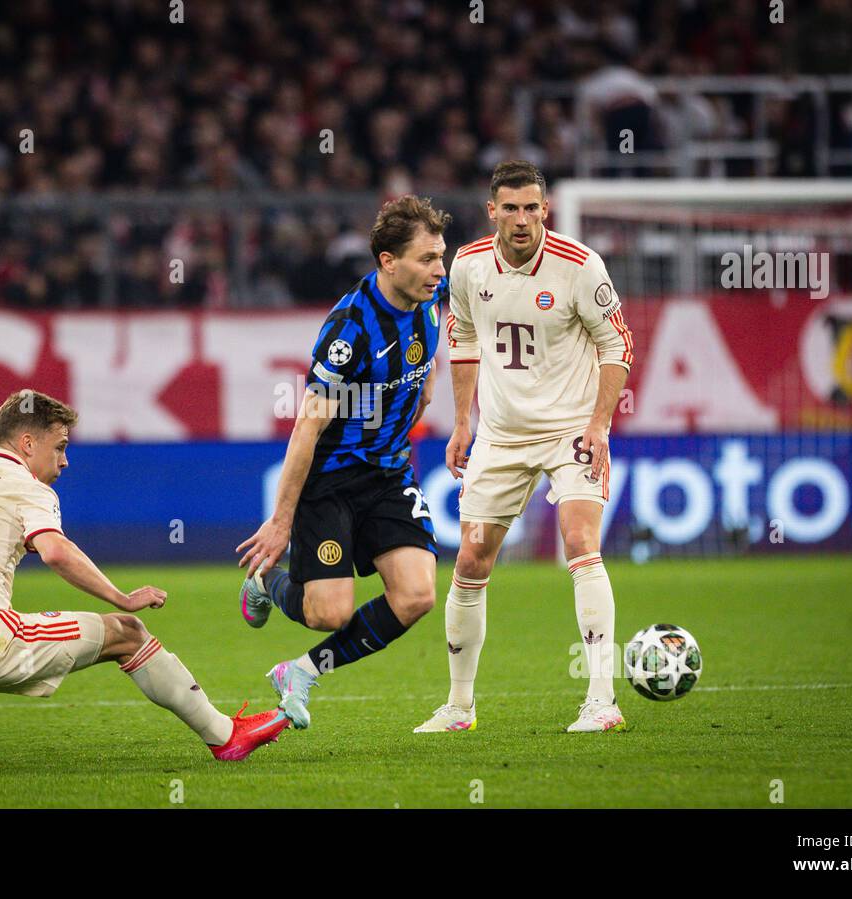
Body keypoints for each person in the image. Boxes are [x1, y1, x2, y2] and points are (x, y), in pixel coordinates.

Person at [0, 389, 289, 765]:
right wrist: (120, 597)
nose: (64, 461)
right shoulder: (28, 488)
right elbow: (56, 552)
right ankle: (224, 737)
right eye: (59, 447)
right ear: (27, 442)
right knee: (129, 632)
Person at [414, 160, 636, 735]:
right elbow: (460, 339)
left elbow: (618, 345)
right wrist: (462, 422)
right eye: (509, 208)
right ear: (492, 211)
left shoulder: (580, 267)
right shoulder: (465, 266)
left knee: (580, 541)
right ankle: (460, 707)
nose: (521, 219)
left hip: (570, 430)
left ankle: (601, 701)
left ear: (546, 210)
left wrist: (599, 425)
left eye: (531, 208)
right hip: (502, 433)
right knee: (470, 558)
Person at [236, 195, 449, 730]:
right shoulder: (348, 332)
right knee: (326, 613)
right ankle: (268, 583)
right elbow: (307, 427)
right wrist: (281, 521)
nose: (438, 270)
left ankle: (301, 673)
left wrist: (423, 397)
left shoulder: (433, 298)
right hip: (330, 481)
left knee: (418, 594)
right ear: (387, 261)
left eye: (441, 257)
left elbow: (427, 362)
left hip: (388, 473)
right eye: (427, 259)